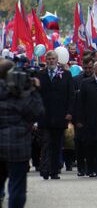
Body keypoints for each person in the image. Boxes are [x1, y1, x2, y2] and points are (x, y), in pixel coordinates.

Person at [0, 59, 44, 208]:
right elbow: (37, 112)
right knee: (17, 187)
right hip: (17, 147)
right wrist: (35, 91)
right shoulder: (20, 95)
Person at [36, 50, 74, 180]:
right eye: (49, 59)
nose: (51, 61)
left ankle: (54, 170)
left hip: (60, 115)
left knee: (57, 144)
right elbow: (36, 95)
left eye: (53, 59)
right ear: (46, 60)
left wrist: (69, 112)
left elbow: (71, 95)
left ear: (57, 60)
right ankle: (44, 169)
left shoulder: (66, 74)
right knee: (46, 142)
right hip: (44, 115)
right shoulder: (40, 75)